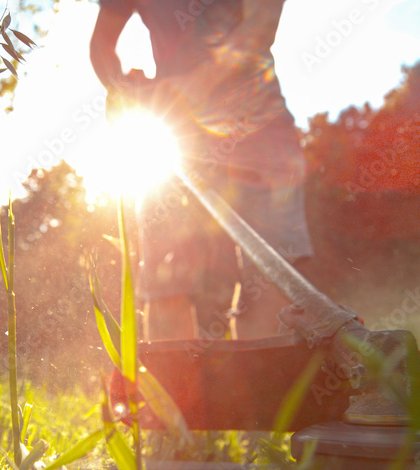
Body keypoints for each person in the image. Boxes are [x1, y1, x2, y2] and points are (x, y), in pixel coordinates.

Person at [90, 0, 312, 341]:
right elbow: (102, 43)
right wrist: (123, 90)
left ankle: (267, 391)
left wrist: (200, 82)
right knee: (166, 282)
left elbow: (262, 20)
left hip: (258, 123)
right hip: (175, 134)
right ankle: (176, 392)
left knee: (270, 279)